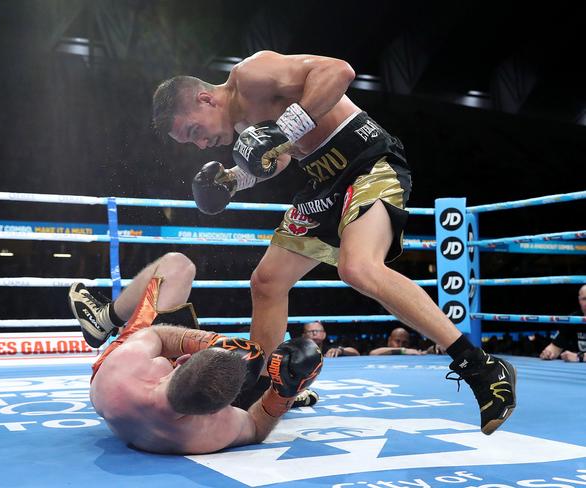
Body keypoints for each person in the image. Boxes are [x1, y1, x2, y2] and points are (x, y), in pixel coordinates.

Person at [152, 50, 516, 435]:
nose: (200, 143)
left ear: (206, 99)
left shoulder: (253, 74)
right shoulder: (244, 124)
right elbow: (280, 157)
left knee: (358, 267)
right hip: (323, 181)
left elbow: (339, 71)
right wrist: (233, 179)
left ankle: (480, 366)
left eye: (193, 131)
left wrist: (284, 129)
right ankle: (260, 385)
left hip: (368, 161)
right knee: (267, 282)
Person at [68, 252, 323, 454]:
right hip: (182, 401)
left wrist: (213, 341)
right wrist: (283, 394)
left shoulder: (125, 367)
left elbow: (159, 334)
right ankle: (263, 388)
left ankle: (104, 319)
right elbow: (256, 429)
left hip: (121, 385)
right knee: (265, 374)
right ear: (221, 410)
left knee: (176, 264)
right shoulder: (207, 434)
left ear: (182, 360)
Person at [539, 284, 586, 363]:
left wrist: (579, 357)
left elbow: (577, 357)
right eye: (584, 299)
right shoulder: (573, 320)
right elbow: (555, 347)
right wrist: (549, 352)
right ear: (579, 300)